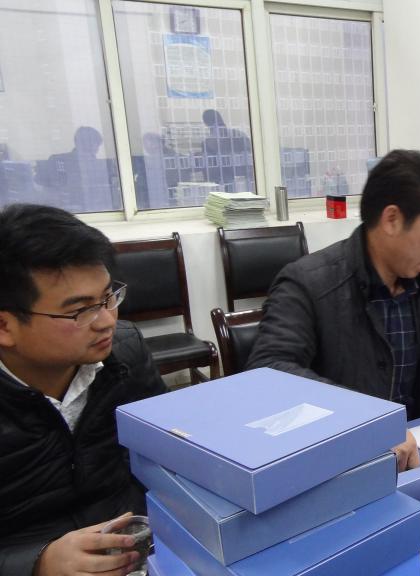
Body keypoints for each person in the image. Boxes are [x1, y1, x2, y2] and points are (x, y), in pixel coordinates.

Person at [246, 149, 420, 471]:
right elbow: (269, 370)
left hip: (416, 454)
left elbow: (408, 366)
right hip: (342, 462)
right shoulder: (308, 283)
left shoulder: (419, 287)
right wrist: (374, 423)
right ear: (392, 219)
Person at [0, 204, 166, 575]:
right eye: (79, 310)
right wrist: (37, 563)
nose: (107, 321)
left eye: (108, 298)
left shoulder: (125, 352)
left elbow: (164, 455)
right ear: (5, 327)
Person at [35, 127, 120, 213]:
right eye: (94, 145)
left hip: (95, 211)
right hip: (62, 210)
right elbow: (40, 185)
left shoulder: (100, 166)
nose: (96, 150)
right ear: (80, 143)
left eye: (97, 146)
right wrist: (55, 194)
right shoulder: (57, 160)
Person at [201, 109, 254, 192]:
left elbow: (210, 167)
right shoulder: (238, 134)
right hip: (242, 177)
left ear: (206, 124)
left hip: (231, 178)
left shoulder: (209, 141)